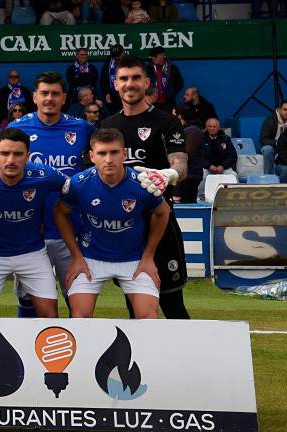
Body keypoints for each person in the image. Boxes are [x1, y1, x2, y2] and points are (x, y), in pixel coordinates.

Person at [100, 54, 190, 319]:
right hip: (125, 228)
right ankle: (140, 361)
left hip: (159, 222)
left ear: (147, 82)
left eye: (136, 77)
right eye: (124, 78)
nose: (130, 84)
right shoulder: (107, 126)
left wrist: (169, 174)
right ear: (115, 84)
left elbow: (181, 164)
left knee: (173, 305)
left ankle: (189, 361)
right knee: (136, 309)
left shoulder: (165, 122)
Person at [54, 128, 170, 319]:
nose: (108, 159)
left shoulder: (142, 184)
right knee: (79, 316)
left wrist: (149, 256)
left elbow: (163, 212)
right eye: (102, 153)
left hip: (134, 258)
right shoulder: (79, 184)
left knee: (148, 317)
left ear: (124, 154)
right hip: (90, 257)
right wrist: (76, 255)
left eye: (114, 152)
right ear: (92, 156)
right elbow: (60, 212)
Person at [9, 71, 95, 314]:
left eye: (55, 93)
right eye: (44, 93)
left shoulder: (81, 128)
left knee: (77, 299)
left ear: (64, 97)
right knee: (28, 300)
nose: (49, 98)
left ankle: (82, 349)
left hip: (70, 230)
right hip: (31, 232)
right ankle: (25, 350)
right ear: (34, 96)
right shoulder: (17, 129)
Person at [0, 128, 68, 318]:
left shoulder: (45, 175)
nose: (11, 160)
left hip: (32, 253)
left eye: (18, 154)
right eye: (5, 153)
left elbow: (78, 185)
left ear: (27, 156)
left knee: (49, 315)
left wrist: (130, 178)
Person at [173, 106, 204, 204]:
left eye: (173, 114)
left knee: (187, 205)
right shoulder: (184, 130)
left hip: (189, 176)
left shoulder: (193, 131)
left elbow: (187, 153)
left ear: (180, 116)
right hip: (183, 175)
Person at [260, 100, 287, 175]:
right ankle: (269, 177)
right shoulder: (270, 120)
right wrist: (277, 142)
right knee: (267, 149)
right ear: (279, 109)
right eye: (285, 109)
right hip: (274, 147)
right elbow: (263, 140)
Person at [147, 47, 184, 112]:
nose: (153, 58)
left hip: (168, 103)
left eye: (155, 56)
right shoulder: (148, 68)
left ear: (162, 55)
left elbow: (180, 83)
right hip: (152, 102)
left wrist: (171, 93)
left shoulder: (172, 68)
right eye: (152, 56)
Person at [100, 44, 124, 115]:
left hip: (126, 94)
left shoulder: (128, 63)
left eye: (119, 55)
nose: (117, 57)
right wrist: (106, 93)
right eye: (115, 55)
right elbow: (103, 81)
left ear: (123, 53)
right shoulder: (108, 64)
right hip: (113, 96)